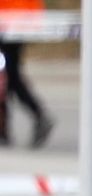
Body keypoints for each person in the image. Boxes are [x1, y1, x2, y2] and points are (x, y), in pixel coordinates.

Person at [0, 0, 55, 150]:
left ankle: (37, 116)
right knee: (9, 77)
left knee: (8, 77)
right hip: (16, 22)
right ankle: (5, 128)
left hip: (11, 24)